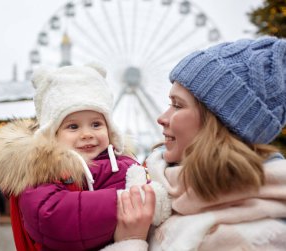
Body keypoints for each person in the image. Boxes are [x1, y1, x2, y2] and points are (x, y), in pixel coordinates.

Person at [103, 36, 286, 250]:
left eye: (178, 106)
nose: (161, 117)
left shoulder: (257, 240)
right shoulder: (156, 187)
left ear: (218, 124)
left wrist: (129, 242)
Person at [0, 64, 170, 251]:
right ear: (52, 134)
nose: (87, 134)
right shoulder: (41, 171)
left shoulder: (125, 165)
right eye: (73, 127)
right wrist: (125, 201)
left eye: (96, 124)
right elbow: (49, 216)